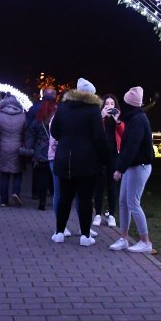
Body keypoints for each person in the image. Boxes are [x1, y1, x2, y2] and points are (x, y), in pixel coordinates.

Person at [50, 78, 107, 247]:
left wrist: (66, 141)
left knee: (64, 197)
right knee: (85, 198)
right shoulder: (93, 110)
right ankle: (85, 235)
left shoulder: (63, 107)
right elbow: (99, 137)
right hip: (87, 161)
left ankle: (59, 232)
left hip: (64, 159)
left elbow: (54, 131)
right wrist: (104, 158)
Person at [109, 86, 155, 253]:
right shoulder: (134, 118)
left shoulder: (138, 120)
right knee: (123, 202)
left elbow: (131, 147)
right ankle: (123, 238)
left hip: (139, 166)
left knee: (133, 203)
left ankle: (145, 241)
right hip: (133, 166)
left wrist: (119, 169)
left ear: (129, 102)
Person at [94, 93, 125, 227]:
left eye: (112, 104)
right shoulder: (98, 118)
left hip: (114, 155)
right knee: (99, 185)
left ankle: (111, 215)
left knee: (112, 185)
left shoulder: (119, 119)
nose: (109, 106)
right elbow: (94, 131)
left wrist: (117, 120)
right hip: (100, 155)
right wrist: (101, 117)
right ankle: (97, 215)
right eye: (107, 104)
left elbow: (124, 134)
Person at [0, 95, 27, 206]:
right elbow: (25, 133)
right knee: (18, 173)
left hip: (3, 147)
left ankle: (3, 201)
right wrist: (23, 144)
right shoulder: (22, 116)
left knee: (5, 174)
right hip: (17, 147)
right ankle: (16, 193)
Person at [24, 92, 56, 210]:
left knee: (42, 178)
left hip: (40, 151)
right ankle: (55, 200)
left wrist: (29, 149)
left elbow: (31, 134)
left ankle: (41, 202)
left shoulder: (39, 118)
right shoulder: (57, 116)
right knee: (54, 177)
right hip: (54, 150)